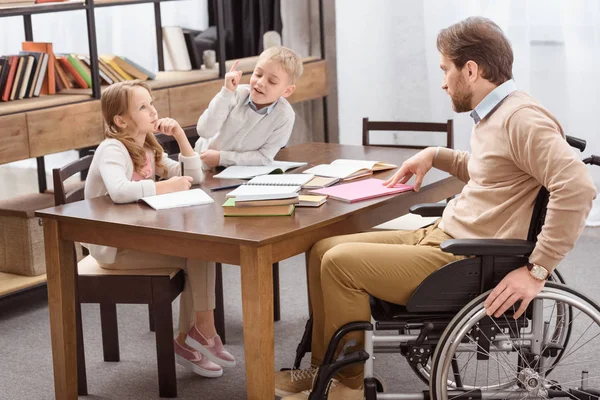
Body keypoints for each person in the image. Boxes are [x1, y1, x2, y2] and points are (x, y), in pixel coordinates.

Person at [275, 16, 597, 399]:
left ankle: (347, 386)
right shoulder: (498, 113)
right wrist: (435, 154)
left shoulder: (521, 119)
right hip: (447, 237)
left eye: (446, 70)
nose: (444, 82)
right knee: (322, 249)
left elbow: (577, 187)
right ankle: (322, 370)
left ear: (471, 70)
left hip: (467, 258)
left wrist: (538, 270)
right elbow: (490, 171)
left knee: (340, 264)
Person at [83, 80, 235, 378]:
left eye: (152, 104)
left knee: (200, 251)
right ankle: (195, 336)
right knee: (196, 257)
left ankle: (192, 336)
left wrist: (180, 136)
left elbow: (196, 177)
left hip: (137, 237)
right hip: (112, 248)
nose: (153, 111)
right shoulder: (112, 149)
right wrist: (165, 186)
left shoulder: (148, 146)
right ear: (120, 119)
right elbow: (119, 191)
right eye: (143, 107)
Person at [194, 46, 303, 169]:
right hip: (201, 167)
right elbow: (204, 131)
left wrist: (222, 158)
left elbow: (264, 157)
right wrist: (226, 93)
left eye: (272, 81)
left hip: (239, 173)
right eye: (258, 74)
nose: (260, 82)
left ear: (287, 91)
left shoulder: (285, 116)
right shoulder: (234, 94)